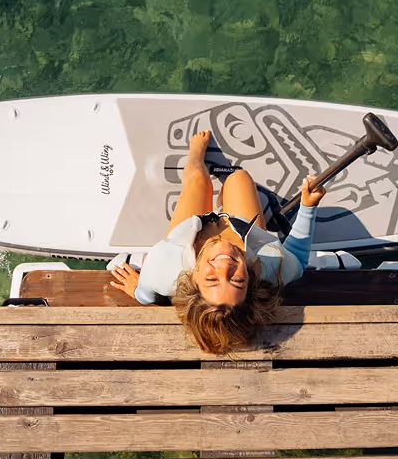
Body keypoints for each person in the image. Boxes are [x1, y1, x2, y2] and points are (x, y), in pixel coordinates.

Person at [109, 130, 326, 354]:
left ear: (192, 280)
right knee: (239, 178)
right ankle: (225, 201)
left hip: (193, 228)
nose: (225, 266)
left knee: (198, 180)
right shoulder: (270, 267)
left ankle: (195, 156)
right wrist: (308, 207)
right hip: (240, 227)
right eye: (237, 281)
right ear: (251, 282)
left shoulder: (162, 266)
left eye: (212, 279)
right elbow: (298, 259)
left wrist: (138, 292)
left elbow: (146, 291)